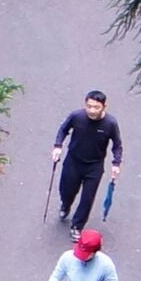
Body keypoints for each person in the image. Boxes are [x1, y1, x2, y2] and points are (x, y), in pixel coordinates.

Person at [48, 89, 123, 233]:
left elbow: (117, 145)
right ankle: (66, 205)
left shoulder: (110, 123)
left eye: (96, 107)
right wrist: (58, 146)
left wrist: (116, 163)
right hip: (73, 161)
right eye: (89, 106)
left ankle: (77, 226)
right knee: (66, 190)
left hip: (94, 166)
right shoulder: (77, 116)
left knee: (87, 199)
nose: (92, 110)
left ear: (104, 107)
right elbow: (63, 129)